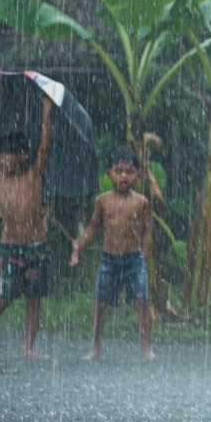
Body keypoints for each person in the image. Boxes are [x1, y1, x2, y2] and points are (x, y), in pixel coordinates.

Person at [0, 97, 54, 358]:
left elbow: (45, 145)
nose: (3, 159)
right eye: (0, 155)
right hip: (10, 246)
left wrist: (46, 112)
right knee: (4, 297)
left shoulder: (34, 174)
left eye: (8, 154)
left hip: (37, 245)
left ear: (23, 156)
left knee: (34, 299)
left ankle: (28, 347)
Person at [70, 147, 154, 361]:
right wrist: (78, 249)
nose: (123, 176)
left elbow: (146, 233)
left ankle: (146, 348)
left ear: (137, 175)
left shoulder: (141, 202)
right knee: (100, 303)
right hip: (109, 260)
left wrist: (144, 258)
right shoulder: (103, 200)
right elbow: (92, 228)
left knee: (142, 301)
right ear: (109, 173)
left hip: (134, 260)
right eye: (118, 171)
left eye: (129, 171)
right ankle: (96, 346)